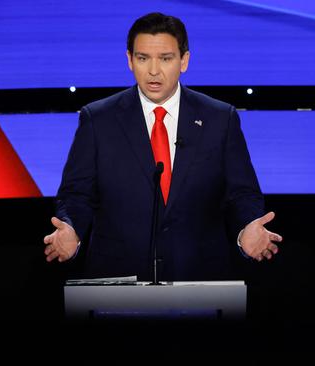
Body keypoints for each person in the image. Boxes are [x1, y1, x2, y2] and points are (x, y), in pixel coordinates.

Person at [43, 12, 282, 281]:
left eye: (165, 59)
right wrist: (71, 229)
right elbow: (77, 194)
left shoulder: (219, 118)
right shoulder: (97, 119)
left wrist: (246, 227)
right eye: (143, 58)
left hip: (200, 278)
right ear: (130, 60)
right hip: (118, 279)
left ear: (184, 61)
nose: (153, 71)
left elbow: (241, 193)